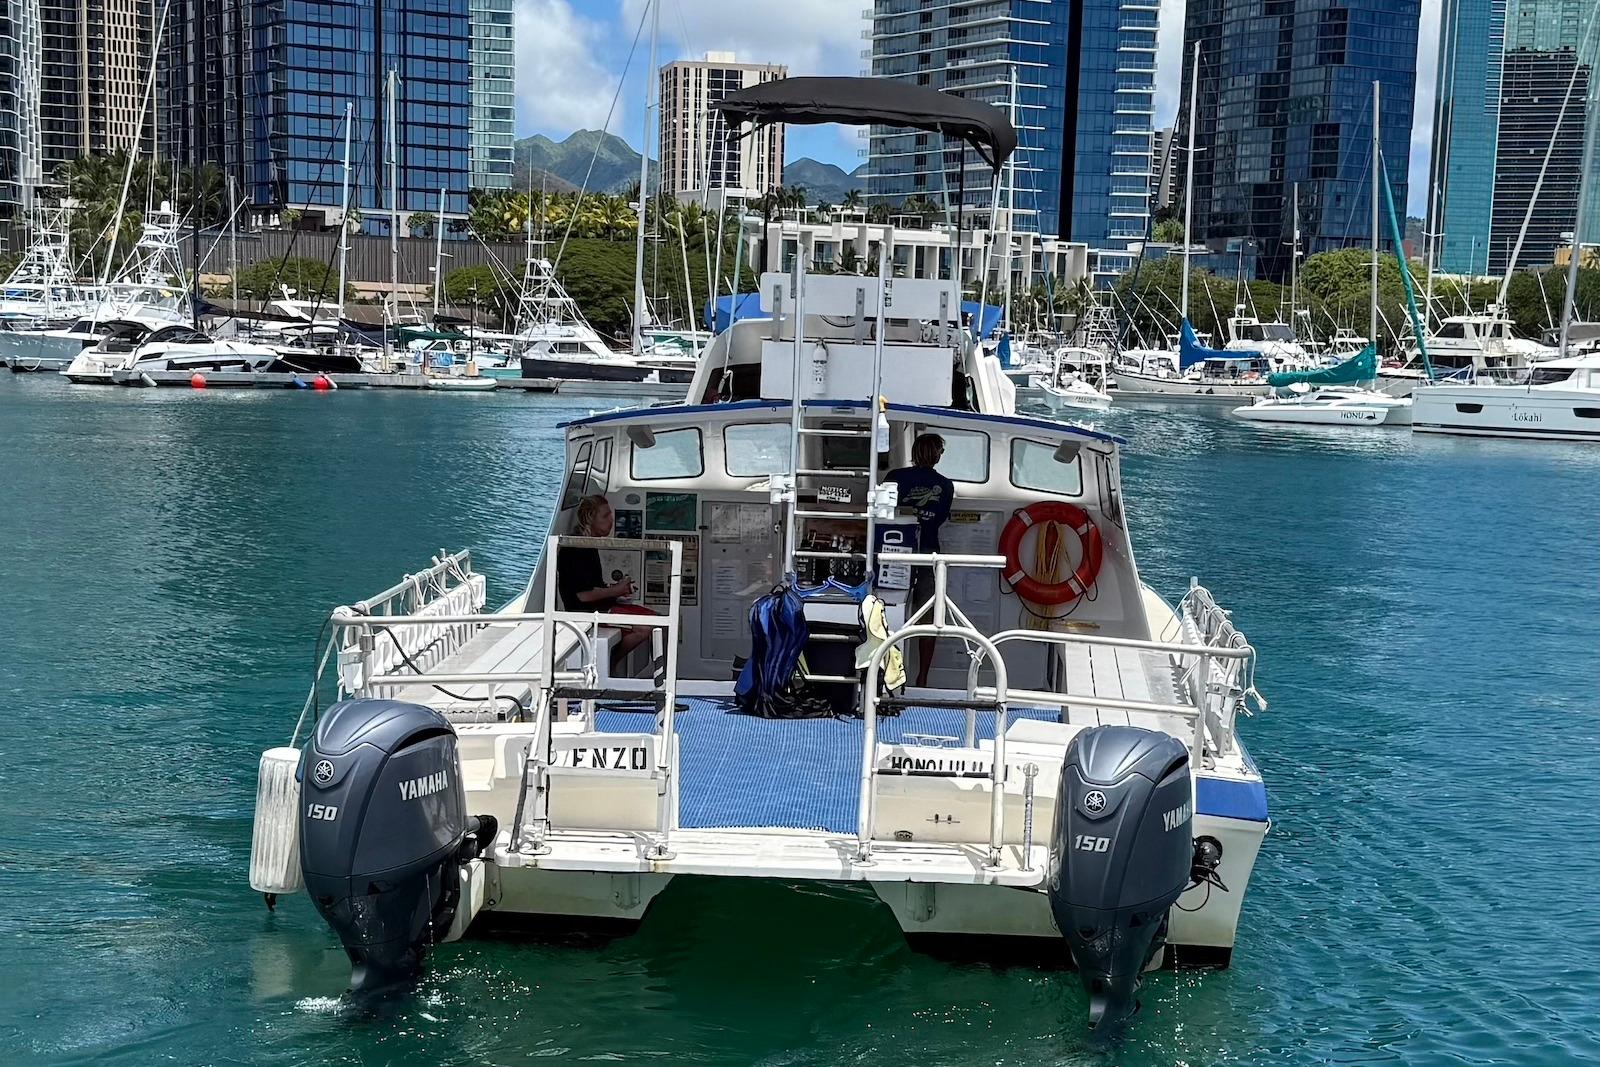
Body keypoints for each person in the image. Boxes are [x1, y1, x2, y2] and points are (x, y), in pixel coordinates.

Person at [886, 433, 955, 687]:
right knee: (927, 617)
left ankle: (887, 672)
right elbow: (938, 520)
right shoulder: (945, 486)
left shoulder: (895, 477)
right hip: (926, 555)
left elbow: (885, 514)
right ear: (936, 455)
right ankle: (922, 677)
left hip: (892, 553)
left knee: (888, 611)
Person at [556, 495, 654, 669]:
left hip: (601, 607)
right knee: (644, 628)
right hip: (586, 614)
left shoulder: (589, 544)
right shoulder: (575, 547)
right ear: (590, 519)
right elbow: (582, 595)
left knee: (659, 621)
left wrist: (618, 591)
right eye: (605, 516)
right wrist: (615, 591)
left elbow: (593, 585)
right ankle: (608, 666)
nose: (611, 520)